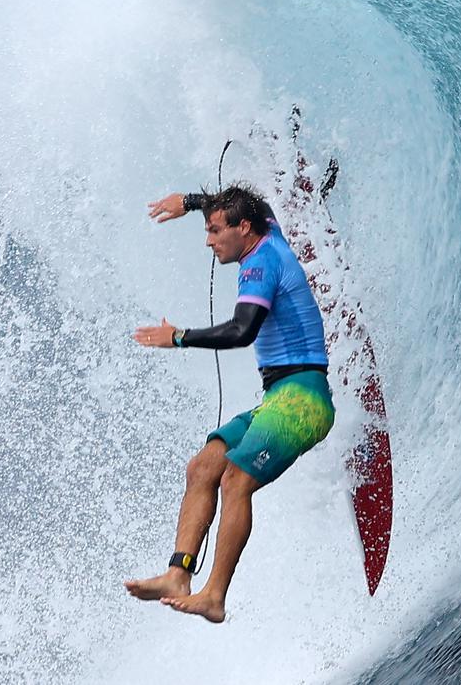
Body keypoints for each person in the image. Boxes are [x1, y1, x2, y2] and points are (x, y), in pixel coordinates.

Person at [124, 185, 335, 623]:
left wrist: (179, 337)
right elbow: (258, 206)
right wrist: (194, 202)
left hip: (304, 399)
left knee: (235, 478)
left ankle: (214, 595)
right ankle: (177, 574)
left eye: (215, 230)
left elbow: (243, 332)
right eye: (206, 230)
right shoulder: (267, 230)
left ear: (243, 229)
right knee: (203, 467)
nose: (208, 240)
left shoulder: (260, 264)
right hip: (277, 397)